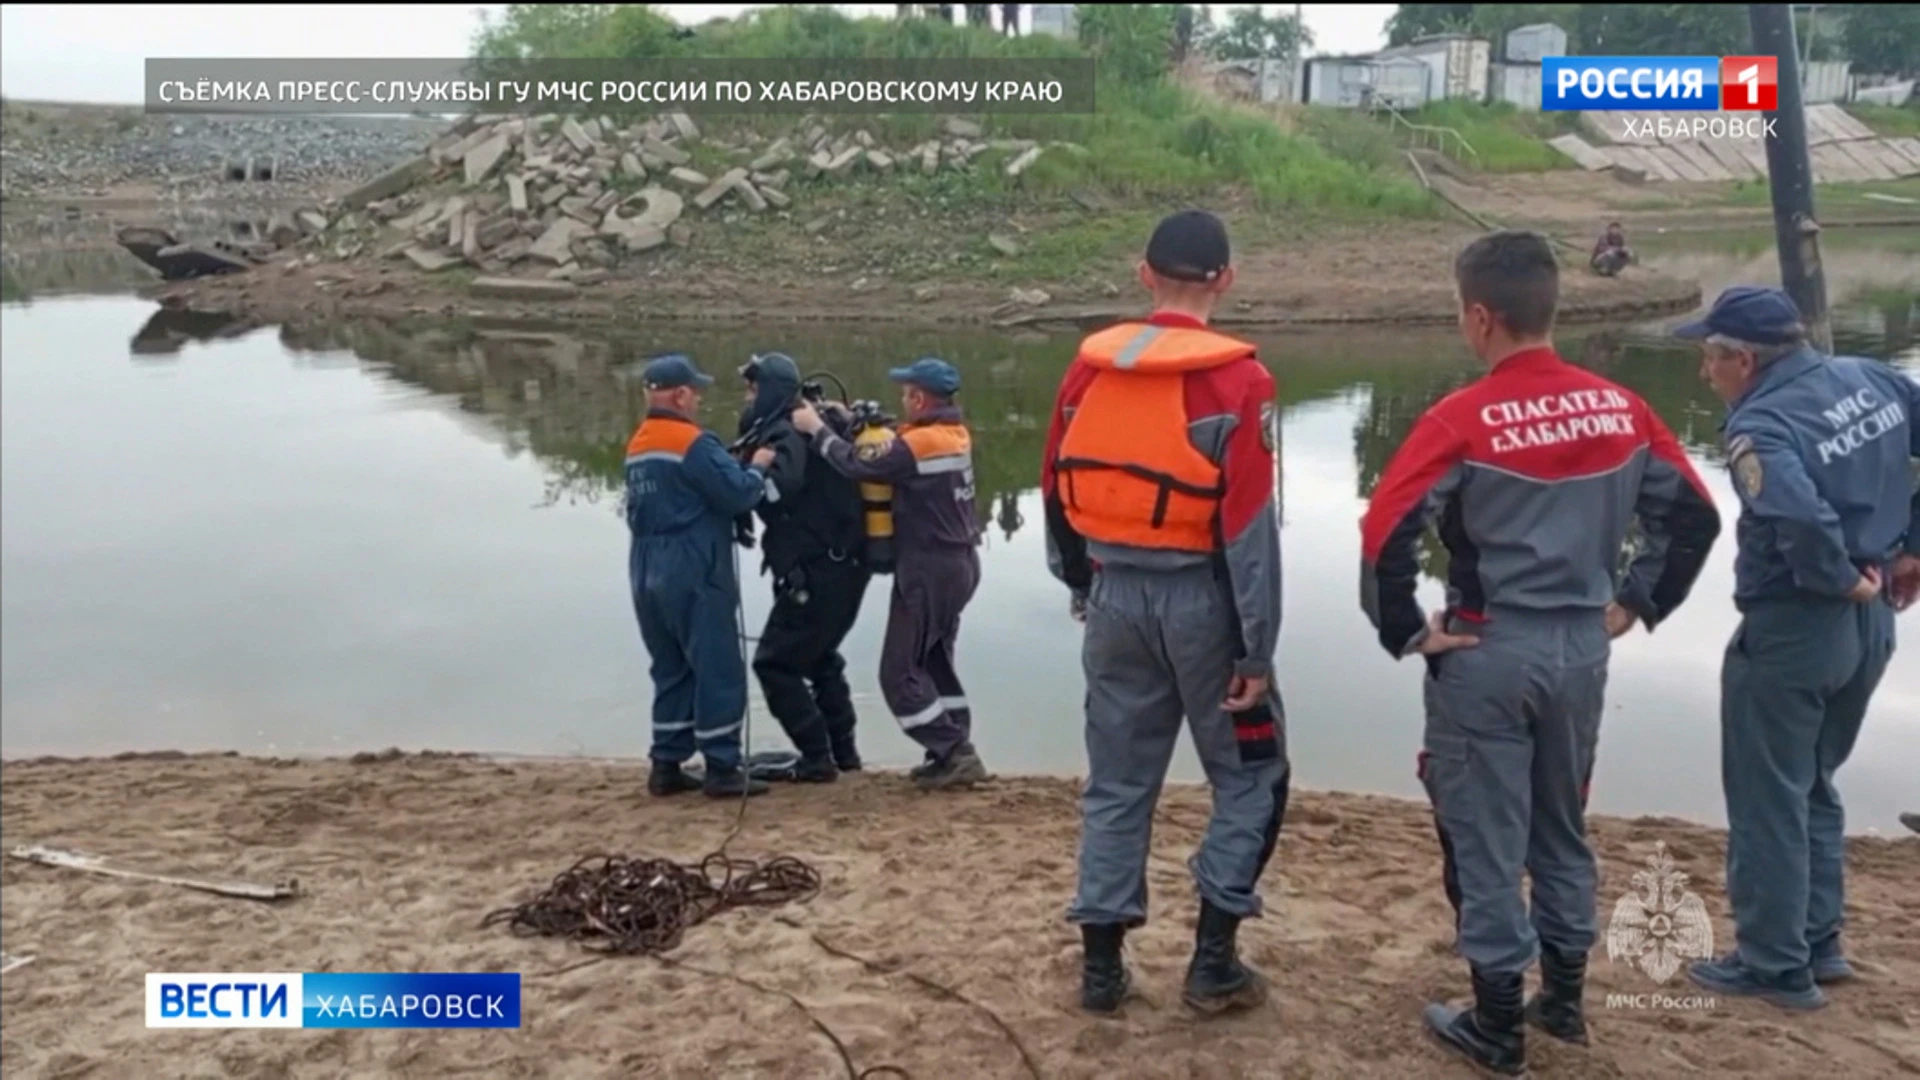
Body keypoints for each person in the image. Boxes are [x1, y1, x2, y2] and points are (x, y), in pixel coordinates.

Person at [1360, 230, 1721, 1074]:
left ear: (1480, 316)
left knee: (1487, 836)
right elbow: (1696, 516)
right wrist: (1638, 600)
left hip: (1488, 646)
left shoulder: (1461, 416)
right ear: (1552, 307)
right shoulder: (1623, 408)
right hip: (1581, 649)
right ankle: (1561, 997)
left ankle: (1496, 1025)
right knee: (1561, 827)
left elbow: (1388, 527)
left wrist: (1405, 630)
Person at [1042, 209, 1288, 1018]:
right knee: (1253, 778)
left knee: (1117, 785)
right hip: (1206, 609)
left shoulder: (1087, 372)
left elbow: (1054, 491)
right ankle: (1213, 961)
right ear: (1227, 279)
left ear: (1143, 273)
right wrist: (1256, 654)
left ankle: (1103, 971)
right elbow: (1250, 531)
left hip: (1113, 596)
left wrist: (1083, 585)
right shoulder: (1240, 383)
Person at [1674, 286, 1918, 1010]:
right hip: (1873, 622)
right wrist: (1910, 548)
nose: (1702, 373)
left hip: (1799, 623)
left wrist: (1836, 576)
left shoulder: (1760, 425)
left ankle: (1774, 963)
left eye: (1708, 357)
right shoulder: (1869, 377)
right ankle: (1818, 942)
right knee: (1814, 779)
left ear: (1742, 359)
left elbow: (1797, 516)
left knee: (1768, 793)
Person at [791, 358, 987, 790]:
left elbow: (861, 464)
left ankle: (955, 751)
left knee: (898, 673)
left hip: (929, 568)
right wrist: (854, 420)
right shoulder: (952, 434)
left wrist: (816, 429)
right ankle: (948, 750)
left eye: (906, 393)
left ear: (919, 398)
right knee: (934, 663)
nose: (902, 398)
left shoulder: (919, 445)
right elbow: (901, 447)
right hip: (960, 565)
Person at [625, 354, 777, 800]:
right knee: (717, 664)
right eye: (695, 392)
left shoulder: (639, 443)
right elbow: (739, 495)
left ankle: (666, 764)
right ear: (681, 394)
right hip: (693, 563)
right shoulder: (692, 442)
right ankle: (723, 767)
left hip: (644, 563)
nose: (698, 400)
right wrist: (760, 464)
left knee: (670, 665)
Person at [735, 353, 872, 782]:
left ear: (770, 390)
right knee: (819, 658)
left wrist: (746, 483)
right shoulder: (817, 425)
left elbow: (782, 486)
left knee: (775, 664)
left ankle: (817, 757)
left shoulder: (785, 432)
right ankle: (843, 754)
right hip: (845, 566)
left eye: (753, 388)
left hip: (816, 575)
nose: (748, 396)